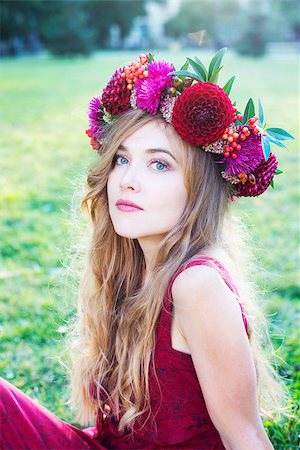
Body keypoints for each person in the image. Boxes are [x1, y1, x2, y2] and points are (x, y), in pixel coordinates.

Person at [0, 49, 294, 450]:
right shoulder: (127, 265)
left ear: (199, 191)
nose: (128, 180)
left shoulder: (197, 285)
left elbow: (245, 436)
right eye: (122, 159)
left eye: (159, 165)